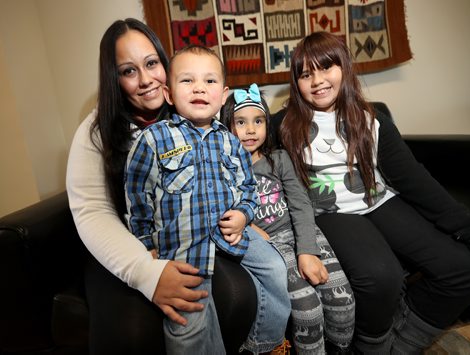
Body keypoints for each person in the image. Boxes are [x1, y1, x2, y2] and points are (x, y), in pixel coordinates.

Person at [277, 31, 470, 354]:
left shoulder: (372, 120)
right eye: (306, 73)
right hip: (332, 213)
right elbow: (244, 138)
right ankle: (373, 346)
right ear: (296, 82)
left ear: (344, 68)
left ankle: (398, 345)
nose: (317, 80)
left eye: (326, 68)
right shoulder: (282, 125)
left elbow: (420, 185)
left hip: (380, 200)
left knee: (464, 271)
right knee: (381, 276)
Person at [66, 18, 257, 354]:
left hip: (186, 237)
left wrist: (246, 216)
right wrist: (146, 271)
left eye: (152, 63)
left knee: (238, 294)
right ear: (115, 79)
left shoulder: (190, 106)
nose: (145, 80)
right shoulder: (95, 131)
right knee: (132, 333)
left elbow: (231, 174)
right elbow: (93, 213)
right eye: (128, 71)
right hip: (121, 246)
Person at [123, 45, 291, 354]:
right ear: (169, 93)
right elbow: (137, 197)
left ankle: (264, 345)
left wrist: (243, 215)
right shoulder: (154, 139)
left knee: (276, 268)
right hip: (185, 243)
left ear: (224, 94)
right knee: (191, 320)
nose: (200, 87)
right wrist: (146, 244)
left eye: (210, 81)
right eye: (187, 81)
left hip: (230, 231)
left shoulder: (230, 141)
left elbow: (247, 188)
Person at [220, 83, 355, 354]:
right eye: (240, 122)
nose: (250, 130)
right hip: (271, 246)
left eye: (258, 121)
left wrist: (307, 248)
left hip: (302, 233)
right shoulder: (225, 172)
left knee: (343, 302)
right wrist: (250, 228)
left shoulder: (279, 159)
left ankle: (340, 349)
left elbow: (300, 204)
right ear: (226, 127)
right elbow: (222, 212)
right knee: (308, 311)